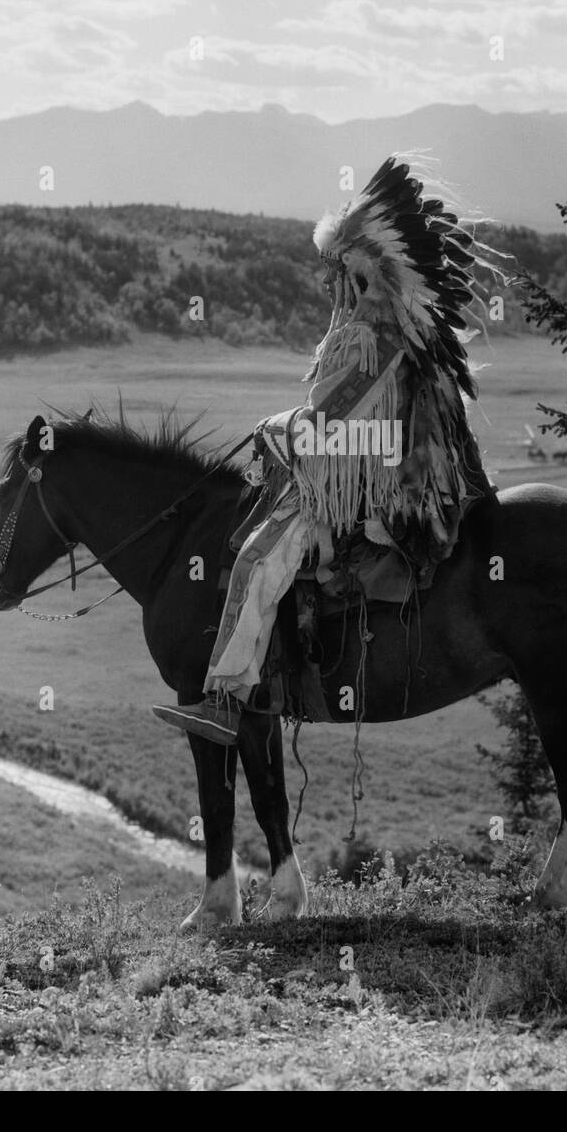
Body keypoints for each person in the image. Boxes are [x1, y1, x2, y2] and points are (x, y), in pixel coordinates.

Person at [153, 154, 510, 745]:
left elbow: (328, 420)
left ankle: (226, 697)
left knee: (257, 559)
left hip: (364, 485)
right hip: (365, 465)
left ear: (360, 274)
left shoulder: (373, 338)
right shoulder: (382, 333)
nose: (327, 283)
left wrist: (274, 428)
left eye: (335, 271)